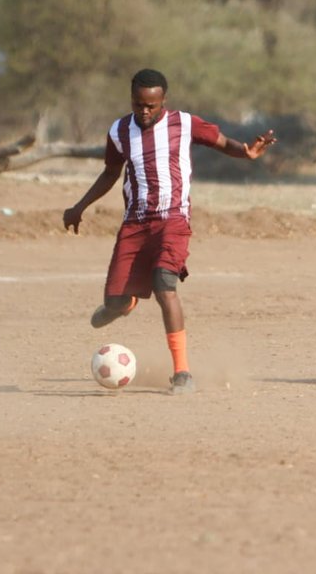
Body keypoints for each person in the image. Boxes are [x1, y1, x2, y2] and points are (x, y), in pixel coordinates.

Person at [63, 68, 277, 394]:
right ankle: (124, 304)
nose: (145, 112)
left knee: (165, 286)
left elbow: (220, 142)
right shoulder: (119, 131)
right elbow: (110, 172)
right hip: (135, 222)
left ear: (164, 101)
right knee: (115, 301)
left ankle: (182, 373)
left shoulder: (184, 123)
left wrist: (245, 152)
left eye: (152, 105)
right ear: (132, 100)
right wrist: (80, 206)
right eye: (138, 105)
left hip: (173, 219)